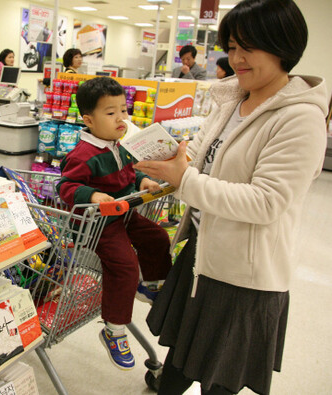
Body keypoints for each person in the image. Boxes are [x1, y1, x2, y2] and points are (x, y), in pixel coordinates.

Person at [135, 0, 327, 393]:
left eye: (247, 48)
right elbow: (201, 161)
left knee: (221, 376)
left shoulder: (300, 118)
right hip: (203, 254)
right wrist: (168, 176)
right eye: (231, 47)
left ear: (282, 45)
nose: (236, 59)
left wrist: (184, 179)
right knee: (181, 361)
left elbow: (266, 202)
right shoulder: (233, 100)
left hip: (244, 275)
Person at [56, 77, 173, 371]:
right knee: (124, 266)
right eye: (111, 113)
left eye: (124, 110)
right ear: (88, 119)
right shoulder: (83, 154)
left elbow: (128, 174)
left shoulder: (118, 145)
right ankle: (114, 328)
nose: (121, 118)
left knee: (157, 237)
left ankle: (149, 285)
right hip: (99, 225)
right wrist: (93, 194)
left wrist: (142, 180)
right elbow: (66, 187)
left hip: (124, 213)